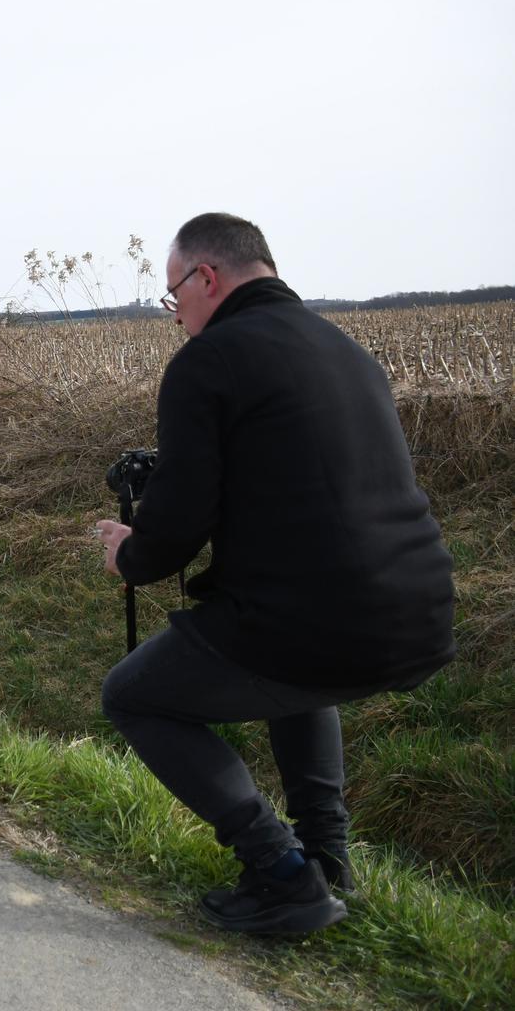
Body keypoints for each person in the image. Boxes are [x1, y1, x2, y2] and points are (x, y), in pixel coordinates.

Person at [94, 213, 455, 934]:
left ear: (207, 277)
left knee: (134, 696)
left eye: (173, 299)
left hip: (314, 614)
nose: (177, 319)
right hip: (416, 609)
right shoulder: (341, 348)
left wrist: (127, 554)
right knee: (294, 670)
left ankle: (281, 873)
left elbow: (175, 527)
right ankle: (326, 860)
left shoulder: (209, 360)